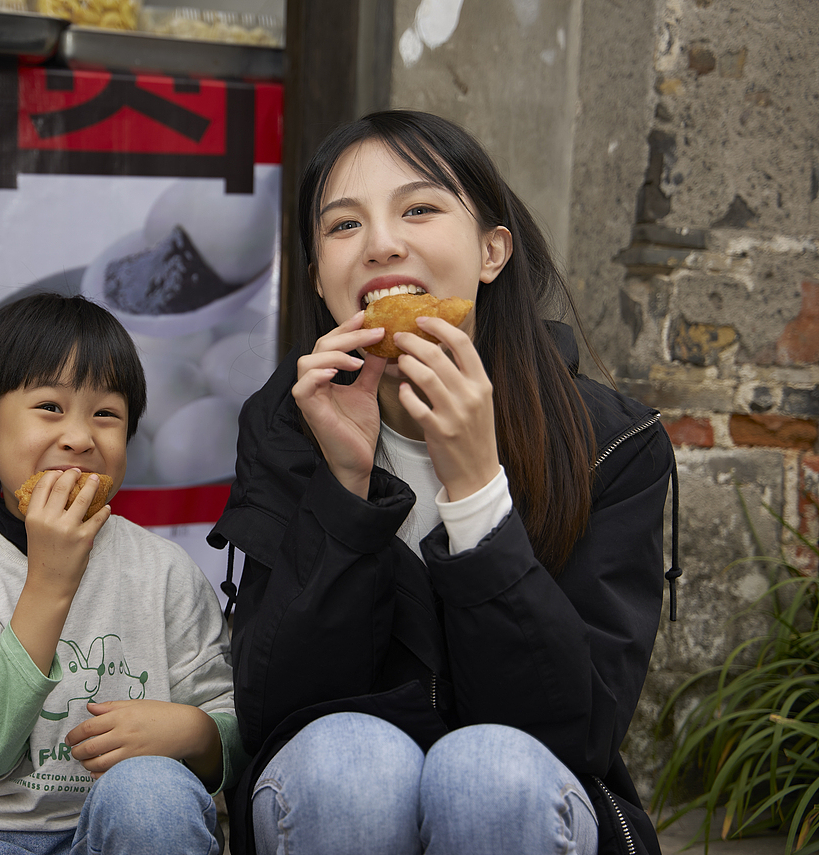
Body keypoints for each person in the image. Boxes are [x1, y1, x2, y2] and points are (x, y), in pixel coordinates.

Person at [207, 110, 675, 855]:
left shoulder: (610, 442)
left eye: (419, 208)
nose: (382, 243)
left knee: (484, 768)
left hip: (528, 794)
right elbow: (276, 712)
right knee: (350, 760)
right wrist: (345, 484)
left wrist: (477, 490)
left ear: (491, 252)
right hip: (332, 795)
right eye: (342, 226)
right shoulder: (286, 422)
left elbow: (577, 734)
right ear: (320, 280)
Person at [0, 293, 248, 855]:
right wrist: (49, 581)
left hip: (131, 821)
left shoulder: (163, 571)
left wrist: (194, 732)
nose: (80, 437)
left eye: (106, 414)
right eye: (50, 407)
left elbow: (234, 727)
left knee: (152, 791)